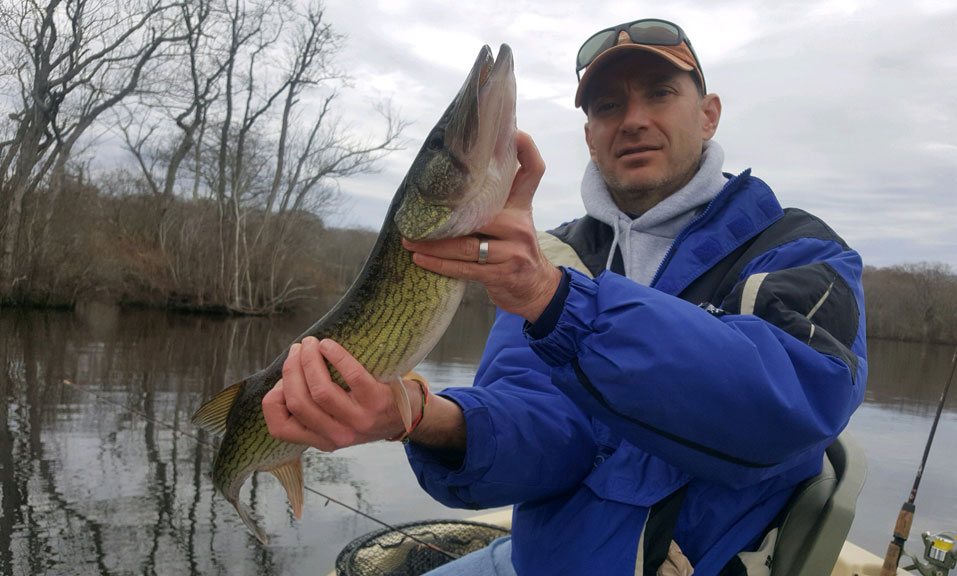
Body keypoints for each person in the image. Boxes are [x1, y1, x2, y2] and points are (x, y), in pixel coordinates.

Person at [262, 17, 867, 576]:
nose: (632, 119)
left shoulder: (797, 251)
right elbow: (551, 439)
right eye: (608, 105)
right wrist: (421, 418)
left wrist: (561, 303)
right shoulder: (551, 257)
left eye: (659, 93)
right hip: (529, 559)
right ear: (589, 134)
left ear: (708, 114)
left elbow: (787, 411)